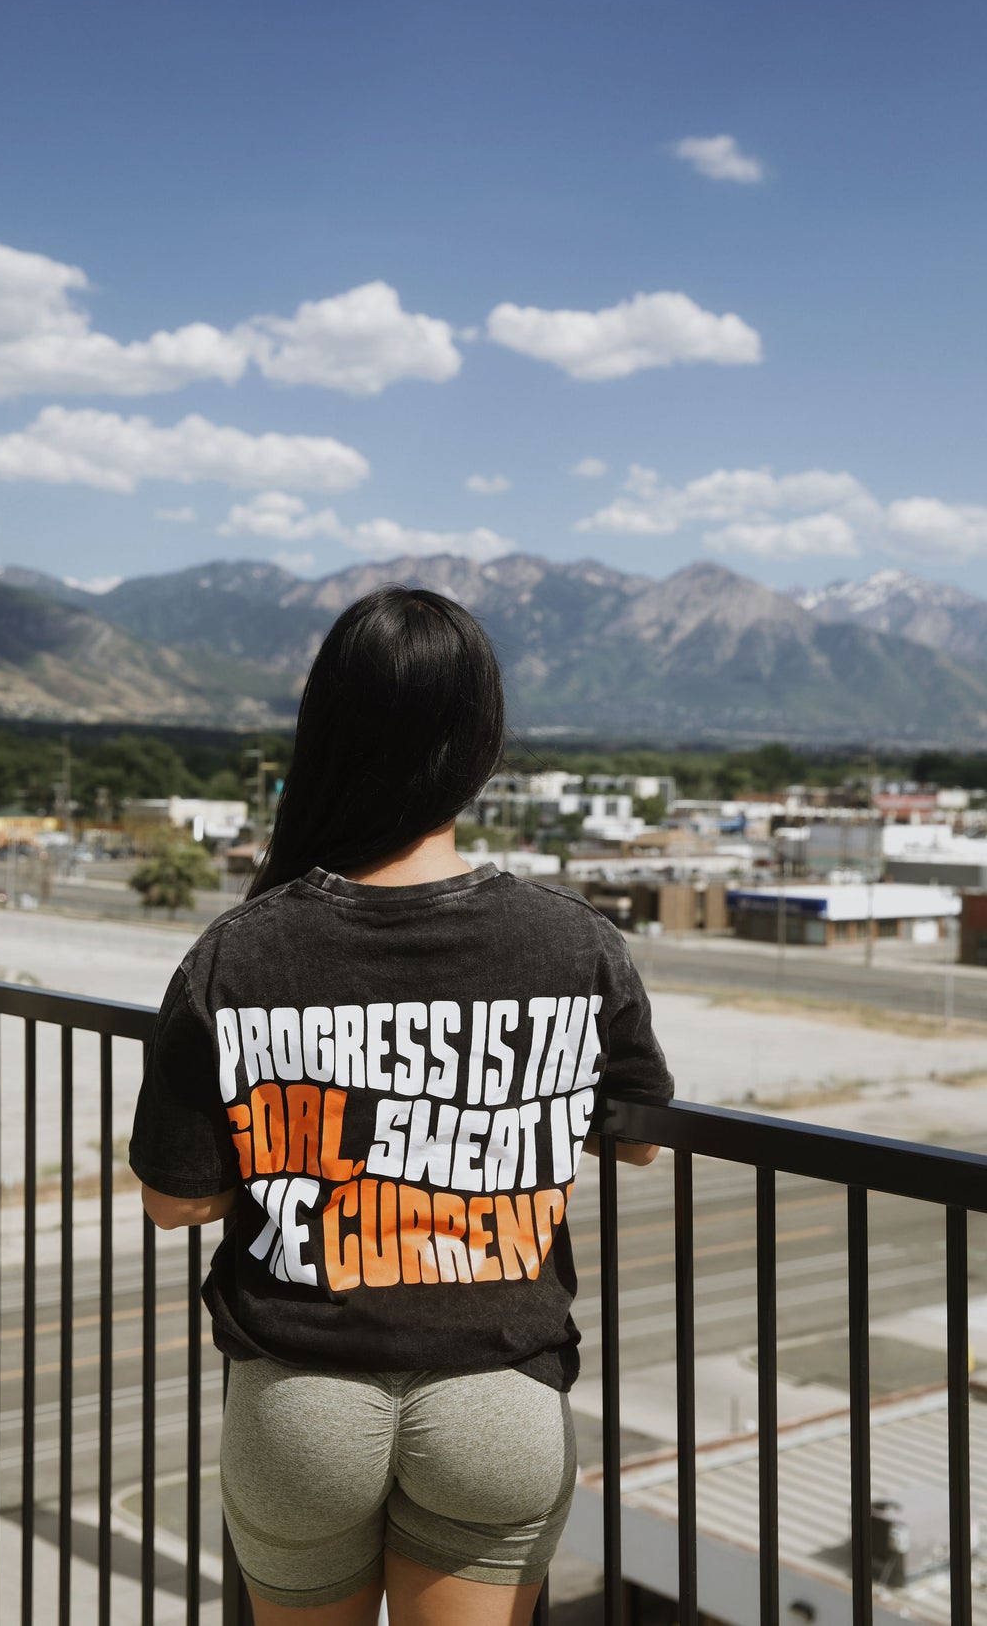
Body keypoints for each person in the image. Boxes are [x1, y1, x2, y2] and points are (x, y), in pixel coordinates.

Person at [129, 587, 673, 1626]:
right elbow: (635, 1140)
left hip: (301, 1399)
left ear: (325, 731)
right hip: (499, 1389)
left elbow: (171, 1200)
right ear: (480, 741)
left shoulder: (239, 951)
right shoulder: (575, 940)